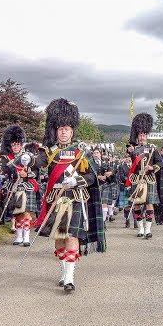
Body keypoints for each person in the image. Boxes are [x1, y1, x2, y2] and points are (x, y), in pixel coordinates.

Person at [32, 99, 105, 293]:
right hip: (55, 197)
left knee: (72, 235)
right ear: (55, 131)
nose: (63, 132)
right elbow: (37, 163)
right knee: (59, 237)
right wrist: (28, 160)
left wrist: (77, 180)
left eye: (67, 129)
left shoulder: (81, 152)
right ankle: (64, 272)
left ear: (72, 131)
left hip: (75, 197)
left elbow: (93, 175)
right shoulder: (48, 151)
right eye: (60, 129)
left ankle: (70, 278)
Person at [0, 125, 39, 247]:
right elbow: (5, 171)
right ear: (10, 145)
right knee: (16, 214)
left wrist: (26, 173)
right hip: (14, 187)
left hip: (27, 187)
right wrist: (15, 172)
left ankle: (26, 237)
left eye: (17, 144)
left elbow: (36, 171)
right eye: (13, 144)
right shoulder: (6, 158)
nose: (15, 146)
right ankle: (18, 236)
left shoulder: (29, 156)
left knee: (26, 213)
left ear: (21, 144)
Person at [125, 113, 163, 239]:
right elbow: (132, 160)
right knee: (136, 204)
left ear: (147, 135)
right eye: (140, 134)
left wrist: (152, 168)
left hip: (149, 179)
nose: (142, 137)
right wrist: (130, 152)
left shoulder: (153, 148)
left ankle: (148, 229)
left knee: (149, 203)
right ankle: (140, 228)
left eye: (144, 134)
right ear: (137, 136)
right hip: (137, 178)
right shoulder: (133, 149)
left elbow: (160, 163)